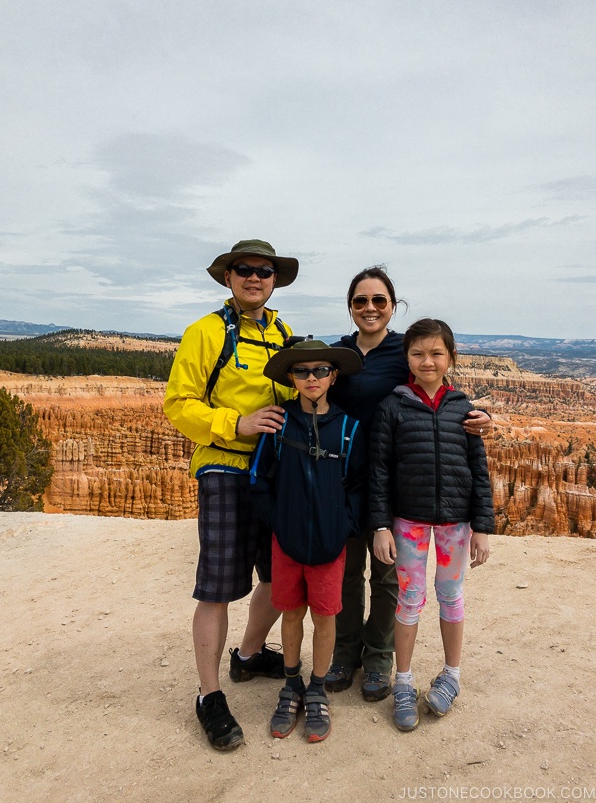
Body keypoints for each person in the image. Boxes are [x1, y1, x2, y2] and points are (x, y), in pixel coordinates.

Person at [327, 267, 492, 703]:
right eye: (360, 301)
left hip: (397, 482)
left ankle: (380, 656)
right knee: (345, 571)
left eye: (379, 300)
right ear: (350, 306)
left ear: (392, 306)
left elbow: (437, 379)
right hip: (343, 477)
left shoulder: (403, 351)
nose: (369, 308)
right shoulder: (338, 354)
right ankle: (345, 653)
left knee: (386, 578)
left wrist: (476, 417)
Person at [163, 239, 299, 752]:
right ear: (228, 277)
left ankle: (246, 656)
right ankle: (209, 695)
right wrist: (235, 424)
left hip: (274, 472)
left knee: (277, 574)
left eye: (265, 271)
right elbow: (178, 405)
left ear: (273, 280)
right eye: (245, 269)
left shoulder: (283, 334)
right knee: (217, 584)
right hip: (224, 466)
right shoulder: (205, 333)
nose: (255, 277)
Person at [369, 318, 494, 731]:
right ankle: (403, 682)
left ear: (451, 357)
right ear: (407, 357)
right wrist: (380, 526)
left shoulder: (465, 408)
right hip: (408, 523)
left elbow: (479, 469)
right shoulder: (393, 407)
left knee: (451, 595)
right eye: (418, 353)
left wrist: (482, 526)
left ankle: (451, 676)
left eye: (436, 353)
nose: (428, 360)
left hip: (456, 524)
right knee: (410, 599)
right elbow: (380, 472)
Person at [250, 340, 366, 742]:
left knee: (325, 616)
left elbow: (358, 485)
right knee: (292, 613)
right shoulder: (279, 424)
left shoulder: (350, 429)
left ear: (334, 376)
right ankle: (291, 682)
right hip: (288, 542)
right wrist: (279, 522)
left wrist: (343, 525)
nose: (312, 377)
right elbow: (258, 479)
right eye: (302, 371)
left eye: (320, 370)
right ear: (291, 378)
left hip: (330, 546)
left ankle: (317, 687)